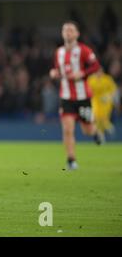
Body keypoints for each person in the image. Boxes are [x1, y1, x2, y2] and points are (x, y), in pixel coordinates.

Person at [49, 21, 103, 170]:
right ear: (62, 33)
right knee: (67, 129)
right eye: (65, 30)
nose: (68, 32)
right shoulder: (59, 52)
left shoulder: (84, 50)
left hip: (83, 97)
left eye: (71, 30)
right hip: (66, 97)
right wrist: (54, 73)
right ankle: (71, 160)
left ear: (77, 34)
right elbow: (58, 70)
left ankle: (96, 132)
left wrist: (83, 73)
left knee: (87, 130)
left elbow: (96, 66)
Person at [87, 68, 118, 136]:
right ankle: (105, 130)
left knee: (103, 117)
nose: (98, 73)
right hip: (95, 100)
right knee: (96, 116)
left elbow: (114, 90)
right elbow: (87, 90)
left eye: (100, 71)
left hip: (105, 101)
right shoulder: (91, 79)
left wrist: (108, 96)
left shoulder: (107, 79)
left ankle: (104, 131)